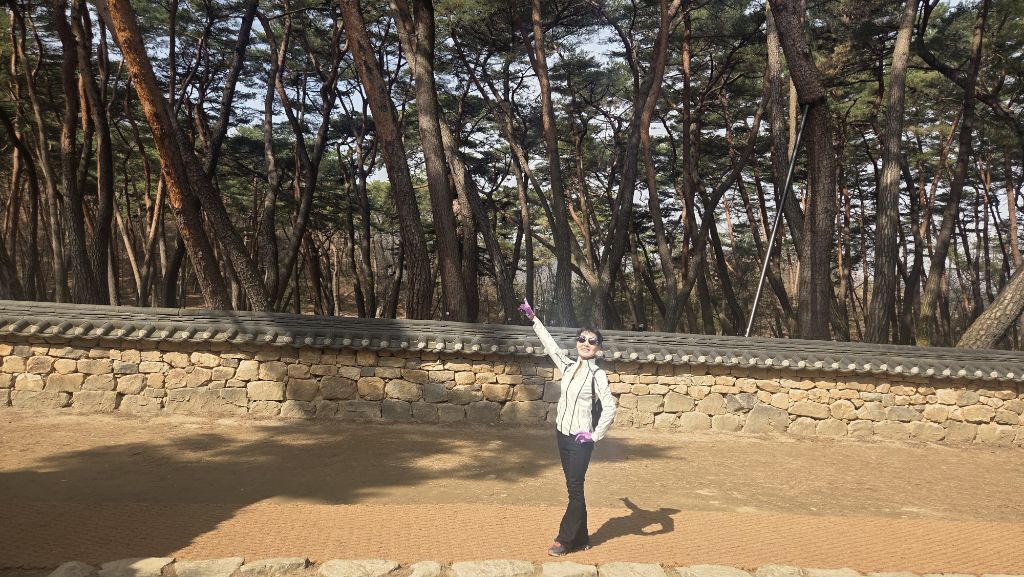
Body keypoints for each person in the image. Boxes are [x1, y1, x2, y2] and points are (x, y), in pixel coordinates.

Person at [518, 298, 616, 556]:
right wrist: (534, 319)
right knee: (574, 488)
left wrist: (594, 435)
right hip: (562, 434)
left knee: (575, 489)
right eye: (582, 339)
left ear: (598, 348)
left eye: (592, 341)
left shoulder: (598, 375)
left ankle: (564, 540)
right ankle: (581, 538)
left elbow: (610, 407)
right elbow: (550, 345)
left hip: (581, 440)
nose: (586, 343)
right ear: (577, 342)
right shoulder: (568, 366)